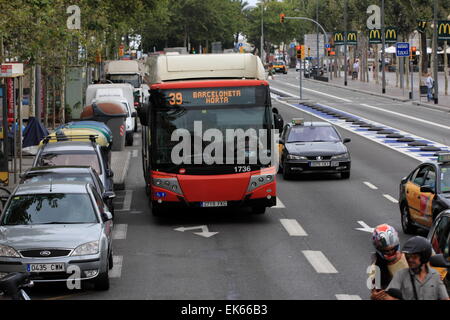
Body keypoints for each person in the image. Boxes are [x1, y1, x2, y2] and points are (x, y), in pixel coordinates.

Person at [378, 236, 449, 300]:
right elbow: (386, 295)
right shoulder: (400, 275)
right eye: (408, 256)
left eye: (414, 257)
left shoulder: (435, 276)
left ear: (424, 257)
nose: (410, 260)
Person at [369, 224, 409, 300]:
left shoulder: (409, 258)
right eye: (387, 251)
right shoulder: (376, 266)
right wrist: (374, 296)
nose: (390, 252)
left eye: (393, 249)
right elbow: (375, 292)